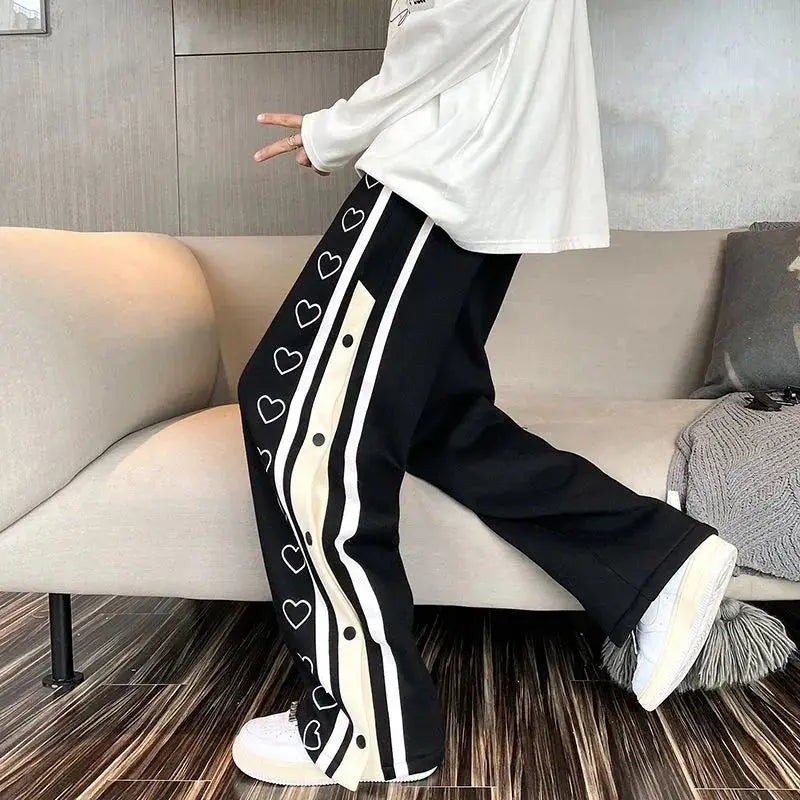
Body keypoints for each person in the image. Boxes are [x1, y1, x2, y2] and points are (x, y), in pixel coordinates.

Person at [233, 0, 738, 790]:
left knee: (297, 407)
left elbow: (457, 17)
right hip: (479, 161)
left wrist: (342, 126)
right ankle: (654, 560)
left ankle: (369, 724)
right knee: (436, 419)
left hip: (444, 164)